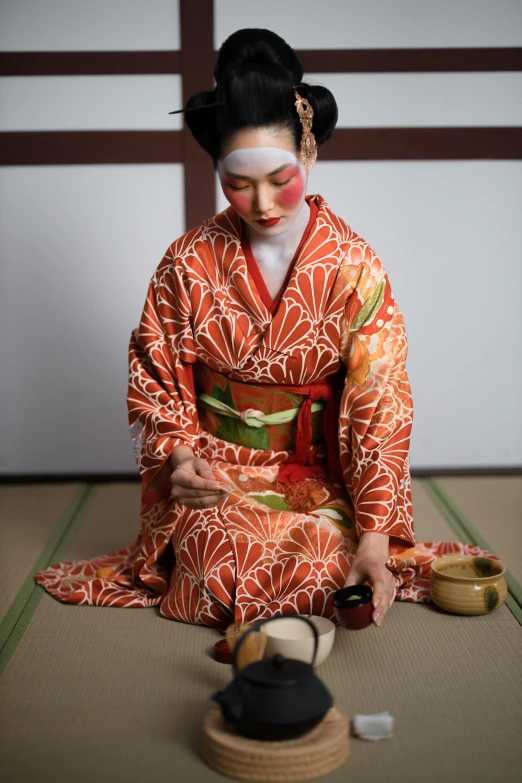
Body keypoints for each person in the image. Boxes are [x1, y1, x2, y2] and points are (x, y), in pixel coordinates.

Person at [35, 28, 490, 629]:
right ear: (219, 170)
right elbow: (154, 375)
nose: (263, 202)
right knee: (214, 563)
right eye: (238, 182)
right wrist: (178, 460)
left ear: (307, 150)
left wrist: (375, 543)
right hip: (219, 469)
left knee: (326, 570)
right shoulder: (189, 260)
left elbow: (381, 405)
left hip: (320, 477)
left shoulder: (353, 267)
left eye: (280, 178)